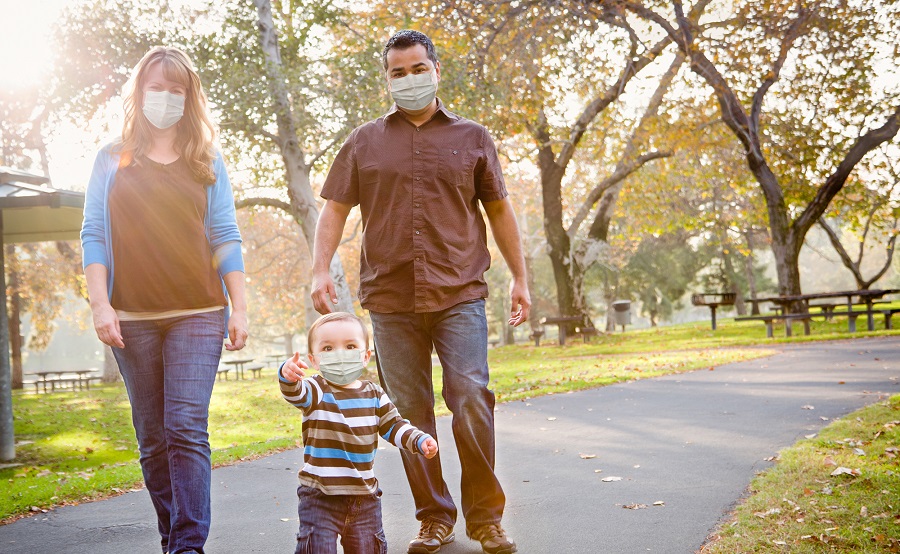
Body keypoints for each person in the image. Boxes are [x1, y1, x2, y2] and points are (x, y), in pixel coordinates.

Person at [311, 30, 530, 554]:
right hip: (389, 299)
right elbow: (335, 209)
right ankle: (434, 516)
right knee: (409, 413)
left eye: (416, 69)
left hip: (460, 292)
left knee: (471, 398)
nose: (407, 79)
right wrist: (320, 268)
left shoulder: (473, 137)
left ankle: (485, 519)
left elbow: (499, 209)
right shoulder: (364, 141)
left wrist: (520, 277)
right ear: (386, 77)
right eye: (396, 72)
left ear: (435, 70)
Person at [80, 46, 248, 554]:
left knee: (184, 427)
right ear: (139, 91)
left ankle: (188, 546)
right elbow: (93, 234)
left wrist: (239, 306)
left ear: (189, 97)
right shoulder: (111, 158)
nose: (166, 98)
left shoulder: (206, 159)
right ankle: (172, 533)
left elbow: (224, 234)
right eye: (157, 87)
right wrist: (99, 304)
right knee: (153, 438)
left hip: (199, 312)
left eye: (177, 90)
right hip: (131, 317)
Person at [279, 311, 439, 553]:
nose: (340, 354)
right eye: (328, 348)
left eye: (350, 346)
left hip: (364, 497)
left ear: (365, 356)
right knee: (316, 548)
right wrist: (287, 375)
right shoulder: (316, 390)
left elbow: (394, 425)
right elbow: (295, 392)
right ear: (313, 359)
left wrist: (418, 439)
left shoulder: (374, 394)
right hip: (320, 496)